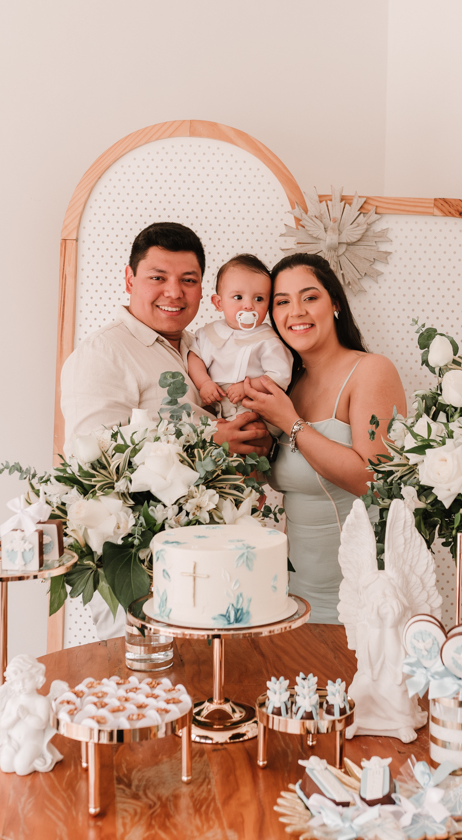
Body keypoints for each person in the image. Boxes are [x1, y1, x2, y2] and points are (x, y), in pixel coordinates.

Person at [240, 252, 406, 624]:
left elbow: (374, 480)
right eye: (282, 302)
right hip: (291, 591)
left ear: (334, 303)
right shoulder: (286, 386)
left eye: (309, 297)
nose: (295, 311)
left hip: (359, 594)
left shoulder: (371, 370)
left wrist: (292, 423)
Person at [60, 222, 271, 457]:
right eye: (158, 278)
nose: (174, 293)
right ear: (130, 280)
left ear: (202, 289)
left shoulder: (206, 344)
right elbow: (88, 462)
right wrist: (207, 442)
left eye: (188, 280)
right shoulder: (102, 353)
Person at [187, 253, 293, 424]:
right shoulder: (208, 333)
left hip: (251, 406)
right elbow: (194, 358)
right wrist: (204, 383)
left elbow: (279, 377)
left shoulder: (268, 340)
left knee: (250, 432)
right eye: (238, 297)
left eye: (259, 299)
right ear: (218, 303)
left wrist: (247, 387)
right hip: (215, 403)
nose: (249, 305)